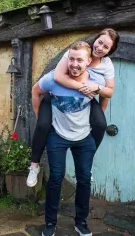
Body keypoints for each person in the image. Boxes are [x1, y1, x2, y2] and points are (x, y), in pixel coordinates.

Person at [27, 28, 120, 187]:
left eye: (106, 47)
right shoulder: (79, 52)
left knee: (100, 124)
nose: (100, 48)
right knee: (43, 125)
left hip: (86, 98)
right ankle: (34, 165)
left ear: (110, 51)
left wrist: (95, 92)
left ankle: (87, 164)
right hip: (58, 94)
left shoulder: (107, 65)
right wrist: (81, 87)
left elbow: (108, 92)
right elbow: (58, 76)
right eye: (99, 42)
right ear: (95, 39)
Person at [32, 41, 95, 236]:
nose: (75, 64)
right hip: (58, 136)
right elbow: (36, 91)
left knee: (84, 179)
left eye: (80, 60)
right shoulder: (53, 79)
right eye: (72, 59)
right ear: (67, 59)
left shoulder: (94, 80)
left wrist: (97, 121)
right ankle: (50, 223)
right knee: (56, 179)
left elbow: (106, 96)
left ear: (89, 61)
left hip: (84, 137)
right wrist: (40, 119)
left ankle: (81, 222)